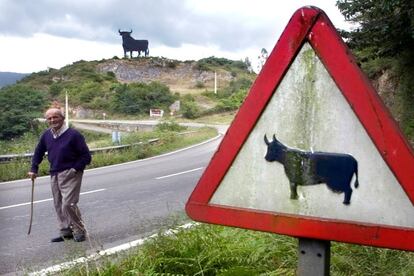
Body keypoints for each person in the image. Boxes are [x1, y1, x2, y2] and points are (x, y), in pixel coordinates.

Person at [28, 107, 91, 242]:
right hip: (54, 172)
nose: (52, 120)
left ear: (62, 118)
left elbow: (86, 156)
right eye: (49, 118)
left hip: (71, 172)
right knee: (58, 203)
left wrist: (75, 169)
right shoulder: (46, 135)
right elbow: (38, 152)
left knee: (68, 204)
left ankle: (79, 229)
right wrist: (34, 168)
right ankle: (66, 231)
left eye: (55, 117)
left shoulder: (74, 135)